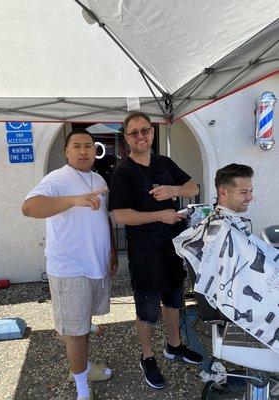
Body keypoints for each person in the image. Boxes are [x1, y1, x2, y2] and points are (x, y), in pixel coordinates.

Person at [108, 111, 203, 390]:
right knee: (147, 309)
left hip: (172, 247)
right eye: (134, 132)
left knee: (174, 300)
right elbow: (120, 216)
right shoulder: (123, 172)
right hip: (145, 253)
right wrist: (160, 215)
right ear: (126, 138)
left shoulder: (164, 162)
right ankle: (147, 357)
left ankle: (174, 346)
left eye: (145, 131)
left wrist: (173, 189)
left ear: (152, 132)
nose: (141, 136)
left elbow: (193, 186)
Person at [22, 129, 118, 400]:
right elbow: (29, 207)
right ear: (67, 151)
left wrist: (111, 251)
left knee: (83, 324)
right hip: (69, 268)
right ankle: (81, 388)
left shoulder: (97, 178)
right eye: (77, 146)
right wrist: (73, 200)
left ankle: (84, 368)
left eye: (88, 145)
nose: (83, 151)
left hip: (95, 264)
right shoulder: (57, 178)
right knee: (75, 330)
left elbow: (103, 218)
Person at [174, 163, 279, 353]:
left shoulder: (225, 223)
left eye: (251, 191)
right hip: (237, 302)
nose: (251, 197)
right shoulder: (222, 229)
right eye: (244, 192)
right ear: (223, 192)